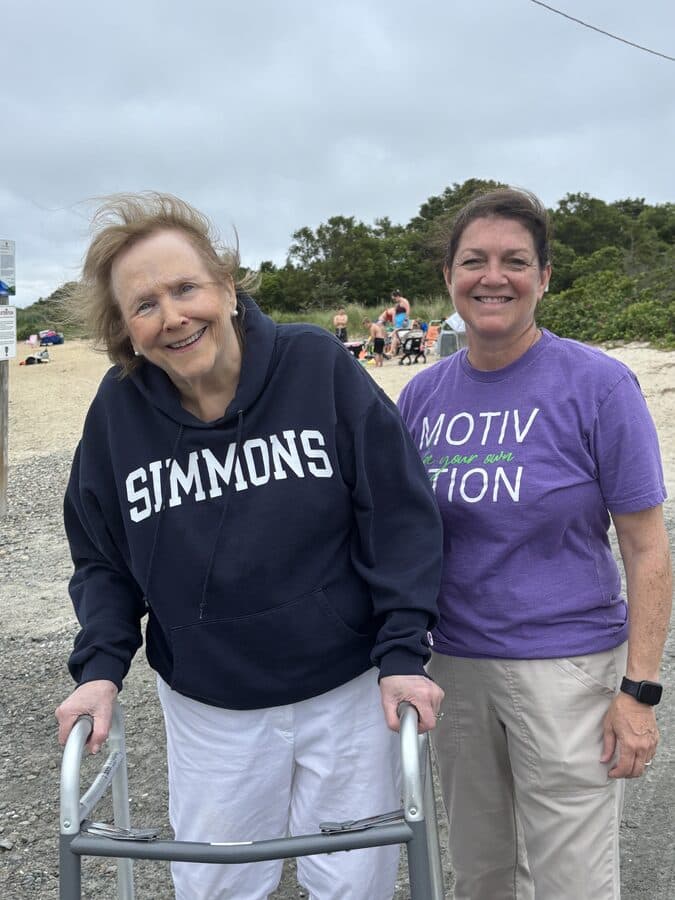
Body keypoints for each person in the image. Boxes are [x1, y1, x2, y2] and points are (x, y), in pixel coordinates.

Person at [54, 192, 445, 900]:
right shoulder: (116, 415)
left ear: (227, 288)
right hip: (210, 706)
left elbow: (396, 514)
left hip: (348, 688)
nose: (172, 316)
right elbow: (103, 561)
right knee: (217, 887)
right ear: (126, 329)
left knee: (354, 883)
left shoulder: (316, 367)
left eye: (185, 288)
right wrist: (99, 669)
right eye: (144, 305)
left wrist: (401, 650)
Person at [397, 187, 672, 900]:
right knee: (481, 874)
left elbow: (646, 548)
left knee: (570, 882)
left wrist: (638, 693)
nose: (493, 277)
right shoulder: (422, 398)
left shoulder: (597, 385)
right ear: (449, 278)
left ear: (544, 277)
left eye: (515, 261)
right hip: (454, 669)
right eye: (474, 261)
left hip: (568, 671)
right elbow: (400, 536)